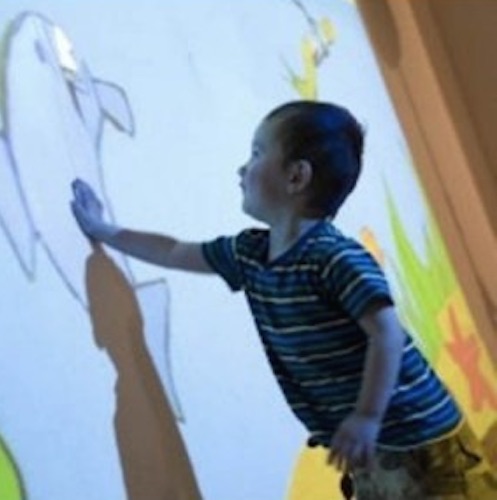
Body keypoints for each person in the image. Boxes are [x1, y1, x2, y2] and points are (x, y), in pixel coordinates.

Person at [71, 101, 497, 499]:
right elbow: (174, 251)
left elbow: (385, 333)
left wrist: (366, 416)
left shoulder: (334, 257)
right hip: (369, 449)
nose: (242, 168)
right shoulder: (250, 254)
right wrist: (104, 230)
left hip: (420, 440)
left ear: (296, 177)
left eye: (256, 154)